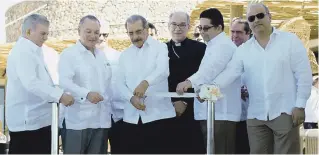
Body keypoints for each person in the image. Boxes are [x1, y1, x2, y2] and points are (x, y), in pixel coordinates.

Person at [211, 3, 312, 154]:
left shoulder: (290, 41)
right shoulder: (244, 50)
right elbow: (229, 74)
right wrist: (208, 89)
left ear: (269, 17)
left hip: (285, 112)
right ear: (249, 23)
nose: (256, 20)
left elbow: (304, 74)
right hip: (256, 115)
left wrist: (300, 105)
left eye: (260, 16)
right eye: (251, 18)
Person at [5, 14, 74, 154]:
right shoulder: (23, 52)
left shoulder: (34, 51)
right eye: (43, 33)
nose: (46, 37)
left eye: (47, 34)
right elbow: (31, 83)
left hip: (38, 123)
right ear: (29, 31)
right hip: (28, 125)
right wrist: (59, 96)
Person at [176, 8, 240, 154]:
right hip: (212, 113)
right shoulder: (213, 45)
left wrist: (189, 82)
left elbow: (210, 70)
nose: (203, 32)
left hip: (220, 114)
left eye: (206, 28)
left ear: (219, 27)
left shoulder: (223, 45)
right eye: (200, 27)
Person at [116, 15, 175, 154]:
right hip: (132, 118)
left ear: (147, 29)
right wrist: (131, 98)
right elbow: (119, 83)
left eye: (138, 32)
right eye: (131, 33)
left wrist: (145, 83)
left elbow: (163, 71)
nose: (135, 36)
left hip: (159, 117)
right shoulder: (124, 55)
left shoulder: (160, 48)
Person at [58, 15, 112, 154]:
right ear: (79, 30)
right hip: (77, 121)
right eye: (88, 31)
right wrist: (86, 94)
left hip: (101, 120)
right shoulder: (69, 54)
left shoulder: (102, 55)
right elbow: (64, 82)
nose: (93, 36)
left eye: (96, 32)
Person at [166, 11, 206, 154]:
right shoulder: (161, 50)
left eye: (182, 25)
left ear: (189, 26)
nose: (178, 28)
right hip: (168, 108)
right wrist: (174, 101)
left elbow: (203, 75)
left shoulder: (201, 49)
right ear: (168, 26)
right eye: (174, 24)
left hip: (193, 108)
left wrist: (184, 101)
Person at [95, 21, 124, 154]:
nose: (101, 38)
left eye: (105, 35)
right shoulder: (81, 57)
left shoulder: (118, 57)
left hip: (117, 114)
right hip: (95, 116)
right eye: (98, 34)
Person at [230, 17, 251, 154]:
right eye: (232, 32)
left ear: (248, 34)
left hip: (251, 116)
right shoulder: (227, 53)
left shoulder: (255, 53)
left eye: (239, 32)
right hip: (231, 115)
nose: (235, 35)